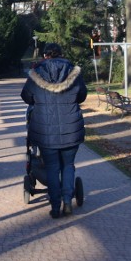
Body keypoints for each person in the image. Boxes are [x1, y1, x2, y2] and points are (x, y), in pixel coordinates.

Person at [21, 42, 87, 218]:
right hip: (71, 128)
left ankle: (55, 206)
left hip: (45, 131)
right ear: (61, 54)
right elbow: (82, 96)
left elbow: (26, 97)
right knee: (68, 165)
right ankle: (67, 200)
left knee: (51, 167)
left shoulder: (36, 74)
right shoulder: (74, 73)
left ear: (45, 56)